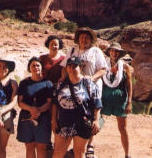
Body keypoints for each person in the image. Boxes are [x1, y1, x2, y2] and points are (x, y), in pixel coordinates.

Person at [60, 27, 107, 158]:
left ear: (91, 39)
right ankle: (74, 144)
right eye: (82, 37)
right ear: (78, 38)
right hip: (73, 88)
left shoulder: (96, 51)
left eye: (87, 37)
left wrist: (91, 79)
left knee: (92, 115)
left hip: (92, 87)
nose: (84, 39)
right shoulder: (73, 50)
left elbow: (103, 69)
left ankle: (89, 145)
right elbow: (64, 68)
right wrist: (64, 80)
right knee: (75, 113)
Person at [52, 56, 102, 158]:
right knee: (58, 151)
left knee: (79, 152)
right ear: (66, 68)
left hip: (82, 122)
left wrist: (96, 120)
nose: (72, 68)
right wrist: (53, 120)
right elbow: (55, 104)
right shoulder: (61, 84)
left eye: (75, 66)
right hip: (64, 122)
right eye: (69, 66)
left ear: (80, 68)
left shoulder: (88, 83)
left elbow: (97, 103)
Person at [17, 57, 53, 158]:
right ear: (29, 68)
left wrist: (38, 111)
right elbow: (20, 102)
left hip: (43, 118)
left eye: (38, 65)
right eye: (33, 65)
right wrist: (31, 109)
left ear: (42, 68)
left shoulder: (47, 83)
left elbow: (49, 102)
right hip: (26, 117)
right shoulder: (24, 83)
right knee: (29, 146)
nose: (35, 67)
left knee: (41, 147)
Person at [102, 42, 133, 158]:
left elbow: (129, 85)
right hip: (105, 98)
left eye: (116, 51)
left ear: (119, 53)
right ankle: (89, 147)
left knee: (122, 128)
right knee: (96, 123)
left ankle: (127, 154)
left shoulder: (125, 67)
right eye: (112, 50)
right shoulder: (103, 65)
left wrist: (129, 102)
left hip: (120, 100)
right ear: (109, 51)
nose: (114, 53)